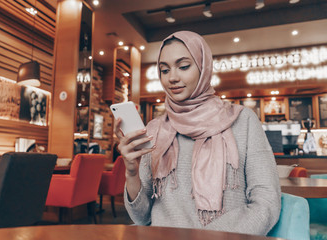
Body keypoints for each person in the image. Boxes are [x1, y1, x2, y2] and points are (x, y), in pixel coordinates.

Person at [114, 31, 281, 236]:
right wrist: (131, 173)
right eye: (164, 70)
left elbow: (266, 203)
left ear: (203, 67)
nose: (172, 78)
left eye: (183, 66)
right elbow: (141, 217)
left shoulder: (243, 121)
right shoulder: (154, 130)